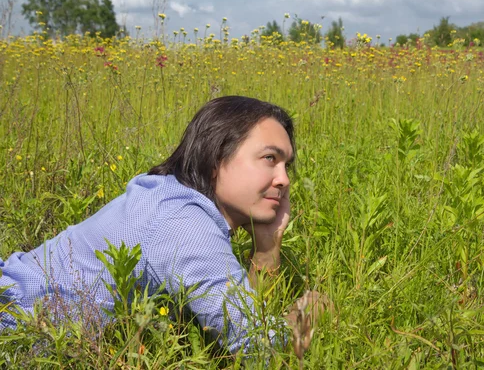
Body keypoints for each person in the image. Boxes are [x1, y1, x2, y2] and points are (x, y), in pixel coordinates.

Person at [0, 96, 323, 354]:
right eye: (269, 158)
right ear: (215, 159)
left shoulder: (166, 194)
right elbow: (257, 348)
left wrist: (266, 247)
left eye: (286, 165)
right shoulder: (183, 223)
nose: (283, 180)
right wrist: (310, 314)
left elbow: (244, 321)